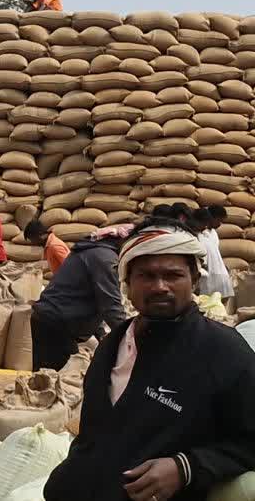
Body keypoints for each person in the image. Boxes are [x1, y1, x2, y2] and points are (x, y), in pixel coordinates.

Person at [44, 220, 255, 501]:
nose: (160, 286)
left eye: (173, 275)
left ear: (194, 279)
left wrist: (186, 467)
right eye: (146, 275)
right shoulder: (112, 345)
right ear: (127, 283)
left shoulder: (224, 352)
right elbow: (95, 436)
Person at [30, 231, 128, 371]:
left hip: (53, 321)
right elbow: (111, 306)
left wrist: (100, 332)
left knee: (55, 378)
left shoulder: (94, 253)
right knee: (58, 380)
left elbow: (96, 299)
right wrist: (131, 338)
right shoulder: (104, 258)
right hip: (56, 324)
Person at [195, 206, 234, 302]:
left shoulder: (213, 234)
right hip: (207, 274)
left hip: (219, 272)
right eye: (219, 220)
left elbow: (215, 252)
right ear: (210, 218)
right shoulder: (198, 233)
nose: (220, 224)